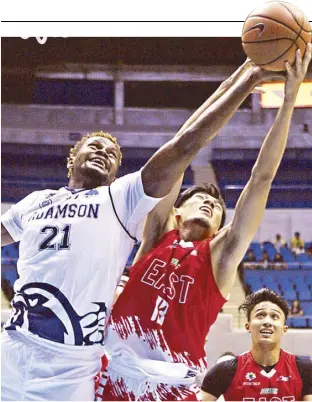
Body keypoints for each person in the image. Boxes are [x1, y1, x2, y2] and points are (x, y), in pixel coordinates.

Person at [0, 53, 274, 401]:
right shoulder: (34, 201)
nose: (103, 152)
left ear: (117, 172)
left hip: (70, 368)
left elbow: (185, 144)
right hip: (13, 346)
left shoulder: (119, 199)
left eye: (112, 153)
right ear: (73, 157)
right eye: (94, 146)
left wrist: (246, 78)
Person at [96, 47, 312, 401]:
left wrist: (288, 101)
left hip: (172, 384)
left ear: (217, 230)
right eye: (200, 198)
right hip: (112, 372)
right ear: (176, 212)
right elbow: (183, 146)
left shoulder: (219, 259)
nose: (211, 202)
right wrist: (243, 75)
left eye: (217, 208)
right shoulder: (155, 237)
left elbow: (262, 179)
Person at [200, 289, 312, 401]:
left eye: (274, 316)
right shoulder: (224, 371)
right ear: (248, 326)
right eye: (260, 315)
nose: (267, 322)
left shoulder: (304, 369)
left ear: (284, 329)